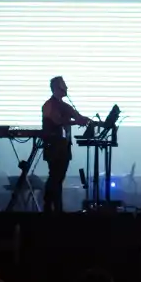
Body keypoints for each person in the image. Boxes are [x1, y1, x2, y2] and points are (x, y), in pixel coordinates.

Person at [41, 76, 92, 213]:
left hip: (64, 147)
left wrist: (85, 120)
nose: (67, 88)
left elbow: (77, 116)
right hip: (53, 147)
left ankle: (57, 209)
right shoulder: (49, 105)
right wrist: (76, 121)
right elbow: (56, 121)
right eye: (64, 85)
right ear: (57, 88)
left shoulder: (65, 105)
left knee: (59, 178)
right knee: (55, 176)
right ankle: (49, 207)